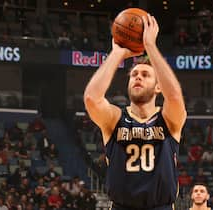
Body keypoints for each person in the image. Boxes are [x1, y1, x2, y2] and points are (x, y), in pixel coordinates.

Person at [84, 13, 187, 210]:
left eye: (146, 75)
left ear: (158, 87)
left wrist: (150, 47)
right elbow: (91, 98)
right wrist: (117, 54)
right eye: (134, 75)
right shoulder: (115, 118)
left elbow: (174, 96)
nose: (138, 77)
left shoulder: (168, 118)